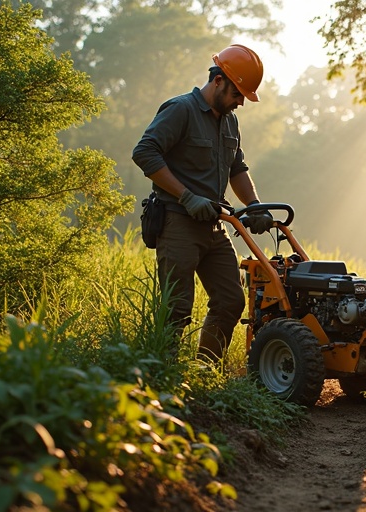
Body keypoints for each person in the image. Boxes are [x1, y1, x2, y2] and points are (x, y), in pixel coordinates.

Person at [132, 44, 274, 361]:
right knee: (177, 307)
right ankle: (162, 375)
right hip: (177, 221)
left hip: (214, 225)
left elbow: (237, 169)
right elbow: (144, 153)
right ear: (219, 80)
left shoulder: (229, 121)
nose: (241, 102)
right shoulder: (180, 110)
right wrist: (187, 196)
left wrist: (254, 206)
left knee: (230, 301)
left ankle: (204, 371)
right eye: (238, 94)